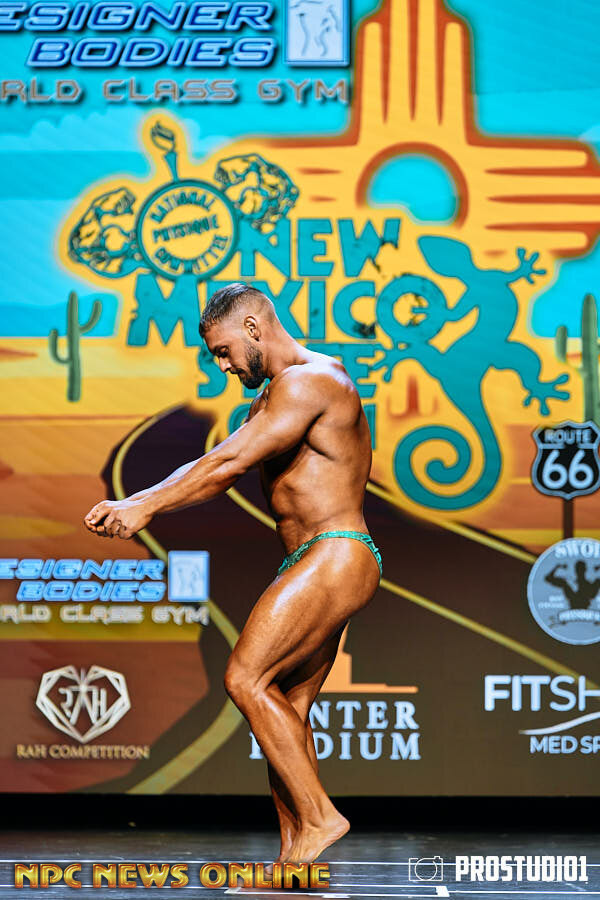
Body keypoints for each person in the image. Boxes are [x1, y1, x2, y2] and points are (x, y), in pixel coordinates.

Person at [84, 282, 382, 864]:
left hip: (335, 551)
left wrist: (145, 507)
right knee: (286, 709)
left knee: (245, 678)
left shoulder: (311, 382)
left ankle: (321, 818)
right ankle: (294, 859)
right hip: (314, 558)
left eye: (223, 351)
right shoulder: (278, 395)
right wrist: (136, 500)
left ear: (253, 328)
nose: (223, 366)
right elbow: (215, 463)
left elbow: (228, 463)